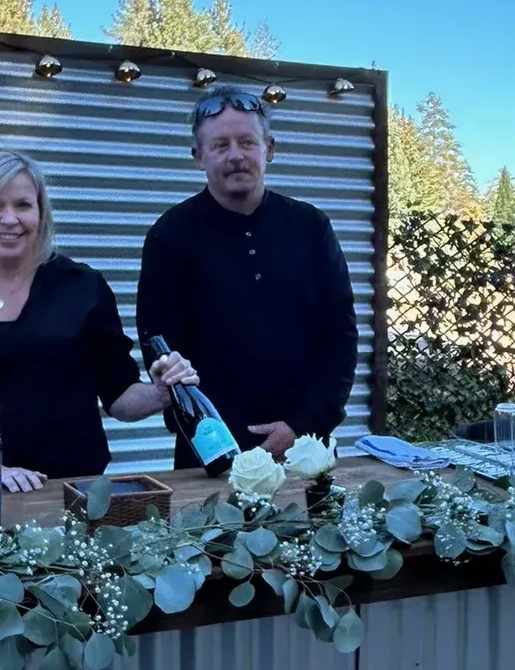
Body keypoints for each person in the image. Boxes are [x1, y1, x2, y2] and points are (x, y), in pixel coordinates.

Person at [0, 147, 197, 491]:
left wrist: (161, 392)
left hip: (77, 489)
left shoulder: (83, 287)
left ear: (41, 213)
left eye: (23, 205)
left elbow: (119, 398)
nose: (10, 219)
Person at [136, 86, 357, 464]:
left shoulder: (310, 227)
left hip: (306, 449)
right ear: (197, 156)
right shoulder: (169, 235)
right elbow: (161, 349)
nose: (236, 156)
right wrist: (210, 436)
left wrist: (302, 425)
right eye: (220, 145)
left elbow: (340, 338)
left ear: (269, 148)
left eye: (246, 142)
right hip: (211, 452)